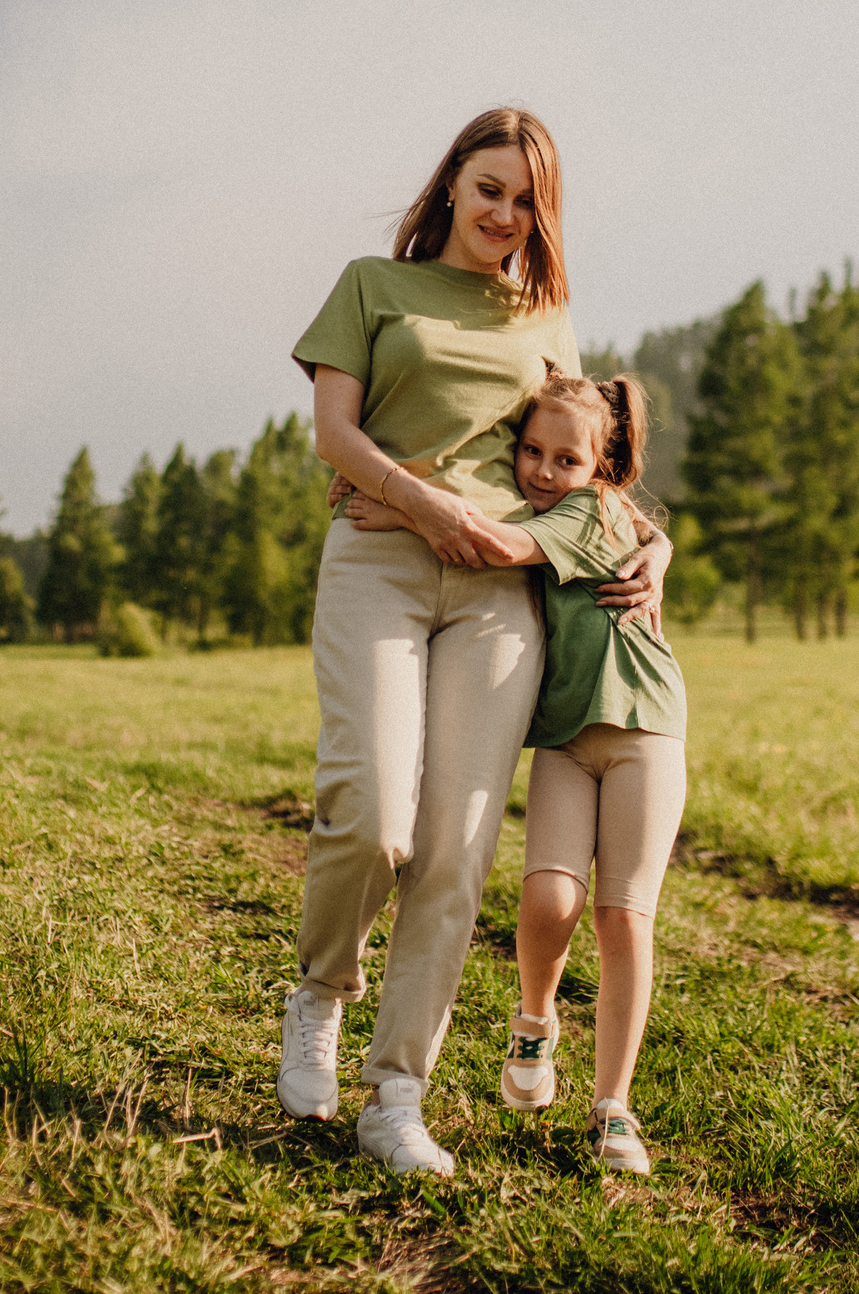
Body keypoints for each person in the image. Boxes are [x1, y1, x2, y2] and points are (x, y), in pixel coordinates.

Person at [281, 107, 669, 1177]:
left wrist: (657, 550)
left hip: (500, 593)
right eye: (489, 186)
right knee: (370, 810)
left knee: (455, 848)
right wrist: (423, 507)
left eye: (525, 199)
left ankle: (395, 1093)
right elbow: (334, 434)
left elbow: (585, 462)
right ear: (453, 182)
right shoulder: (373, 285)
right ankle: (320, 990)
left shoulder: (546, 318)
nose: (504, 213)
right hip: (381, 562)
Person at [350, 371, 686, 1174]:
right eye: (530, 450)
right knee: (549, 898)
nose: (541, 469)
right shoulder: (556, 508)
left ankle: (613, 1108)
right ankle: (536, 1016)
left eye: (564, 458)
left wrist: (396, 504)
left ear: (600, 467)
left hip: (645, 727)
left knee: (622, 916)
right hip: (567, 738)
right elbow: (546, 527)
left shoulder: (588, 510)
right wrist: (662, 545)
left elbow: (497, 544)